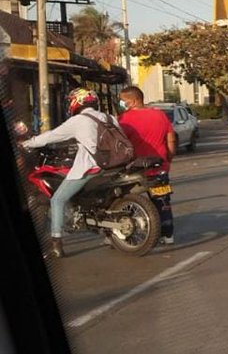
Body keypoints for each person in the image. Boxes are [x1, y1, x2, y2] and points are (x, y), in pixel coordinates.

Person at [20, 89, 123, 258]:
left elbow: (52, 136)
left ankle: (56, 245)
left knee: (57, 199)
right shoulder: (110, 118)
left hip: (90, 168)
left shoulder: (78, 121)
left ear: (77, 102)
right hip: (113, 166)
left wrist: (27, 144)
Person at [117, 86, 177, 245]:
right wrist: (168, 159)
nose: (122, 104)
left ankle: (126, 234)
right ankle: (168, 235)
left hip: (136, 169)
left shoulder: (125, 119)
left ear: (134, 100)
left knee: (127, 200)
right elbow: (170, 139)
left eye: (124, 101)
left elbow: (119, 144)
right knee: (163, 203)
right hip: (160, 167)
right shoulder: (160, 115)